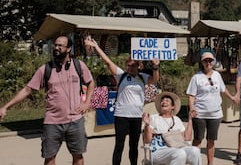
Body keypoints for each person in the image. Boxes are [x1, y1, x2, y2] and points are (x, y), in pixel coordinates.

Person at [0, 35, 95, 165]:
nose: (56, 48)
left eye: (60, 45)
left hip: (75, 121)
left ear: (68, 49)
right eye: (55, 45)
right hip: (52, 122)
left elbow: (91, 83)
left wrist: (87, 102)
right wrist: (6, 106)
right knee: (49, 157)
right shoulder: (45, 69)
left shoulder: (79, 65)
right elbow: (27, 90)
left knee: (78, 156)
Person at [84, 38, 160, 165]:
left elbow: (155, 80)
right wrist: (96, 47)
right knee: (119, 145)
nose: (130, 67)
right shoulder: (121, 75)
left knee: (134, 146)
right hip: (121, 116)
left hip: (136, 116)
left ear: (138, 66)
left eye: (133, 65)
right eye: (128, 65)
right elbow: (108, 62)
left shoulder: (143, 77)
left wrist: (156, 67)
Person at [186, 51, 236, 165]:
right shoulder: (196, 77)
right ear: (202, 62)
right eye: (205, 61)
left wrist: (232, 98)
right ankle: (195, 162)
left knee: (211, 140)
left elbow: (223, 89)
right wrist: (192, 108)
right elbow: (191, 95)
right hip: (200, 114)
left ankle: (210, 163)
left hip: (215, 114)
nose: (208, 63)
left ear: (213, 62)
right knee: (198, 139)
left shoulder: (217, 75)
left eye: (210, 60)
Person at [142, 92, 202, 165]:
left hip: (176, 147)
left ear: (172, 106)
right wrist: (147, 125)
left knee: (195, 150)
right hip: (158, 151)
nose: (164, 102)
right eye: (162, 101)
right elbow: (147, 140)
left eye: (167, 101)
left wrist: (190, 119)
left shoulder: (176, 119)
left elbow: (187, 138)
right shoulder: (153, 118)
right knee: (179, 153)